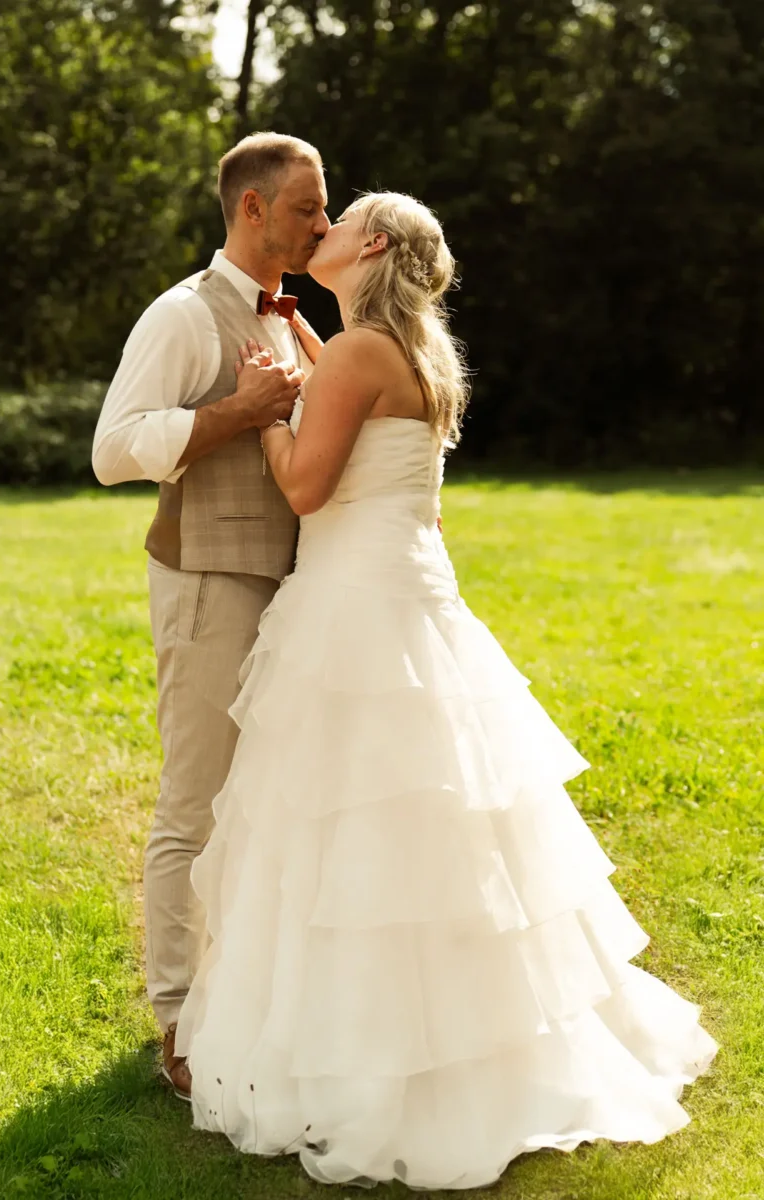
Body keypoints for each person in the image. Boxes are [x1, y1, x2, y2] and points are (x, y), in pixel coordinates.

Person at [174, 190, 717, 1189]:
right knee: (434, 823)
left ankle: (364, 1054)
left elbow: (304, 487)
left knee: (350, 828)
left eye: (337, 224)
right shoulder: (416, 349)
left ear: (370, 244)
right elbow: (361, 414)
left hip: (350, 609)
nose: (319, 230)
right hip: (414, 598)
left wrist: (260, 411)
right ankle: (469, 1035)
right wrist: (304, 338)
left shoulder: (352, 357)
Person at [92, 132, 330, 1099]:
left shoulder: (286, 316)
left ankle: (244, 1001)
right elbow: (113, 449)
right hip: (207, 581)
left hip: (285, 586)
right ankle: (178, 1024)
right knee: (193, 809)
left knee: (261, 807)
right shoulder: (183, 315)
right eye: (310, 207)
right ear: (253, 210)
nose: (324, 222)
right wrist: (235, 413)